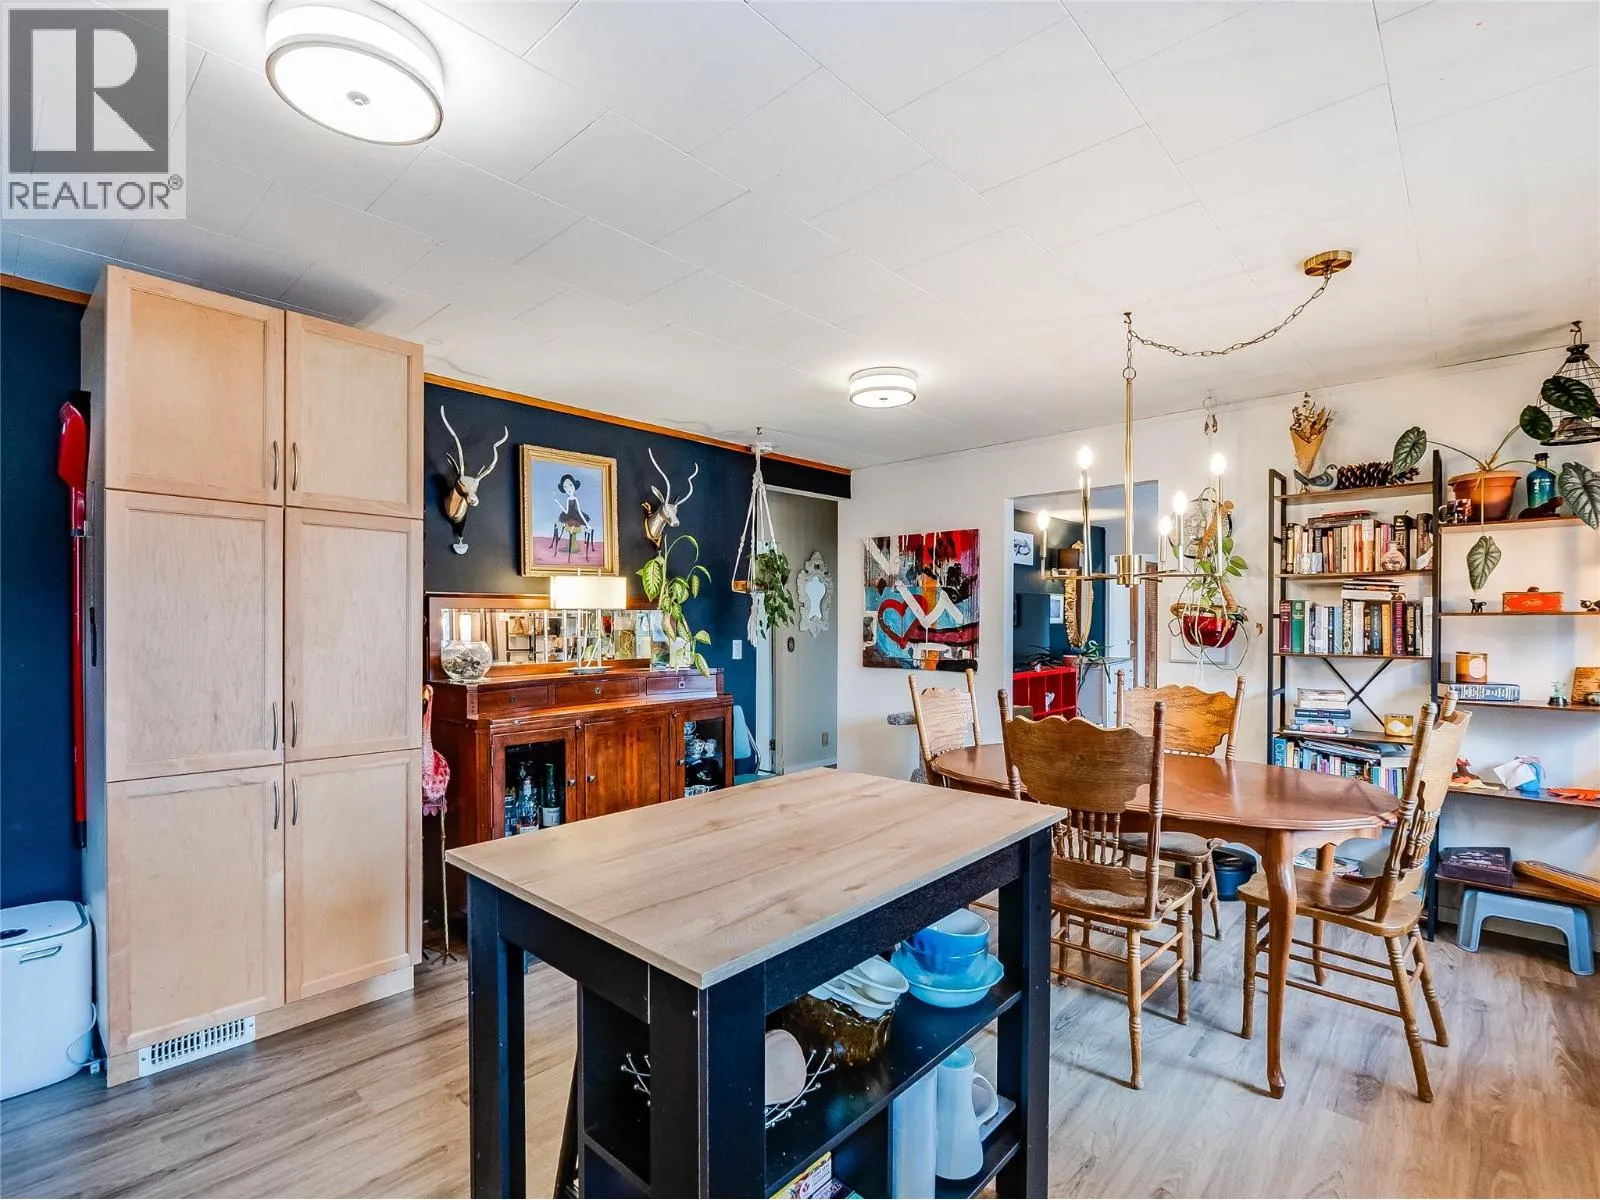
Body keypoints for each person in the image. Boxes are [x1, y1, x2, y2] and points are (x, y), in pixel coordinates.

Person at [550, 473, 594, 557]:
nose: (568, 489)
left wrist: (587, 524)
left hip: (576, 515)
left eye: (570, 485)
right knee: (564, 525)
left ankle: (573, 547)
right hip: (568, 515)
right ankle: (570, 546)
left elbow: (579, 511)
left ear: (574, 485)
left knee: (573, 527)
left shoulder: (575, 498)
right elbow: (566, 511)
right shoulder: (567, 499)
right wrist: (558, 502)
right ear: (563, 489)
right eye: (565, 487)